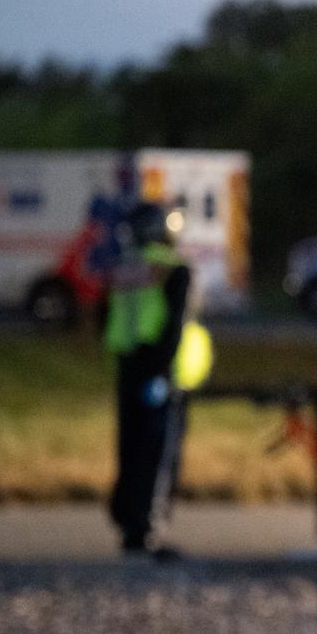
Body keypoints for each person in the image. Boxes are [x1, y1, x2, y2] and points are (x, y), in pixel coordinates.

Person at [104, 200, 191, 561]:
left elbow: (103, 317)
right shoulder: (173, 268)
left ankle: (126, 518)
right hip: (157, 370)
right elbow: (173, 327)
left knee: (128, 445)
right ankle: (145, 527)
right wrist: (163, 369)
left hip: (126, 365)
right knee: (156, 451)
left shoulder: (123, 268)